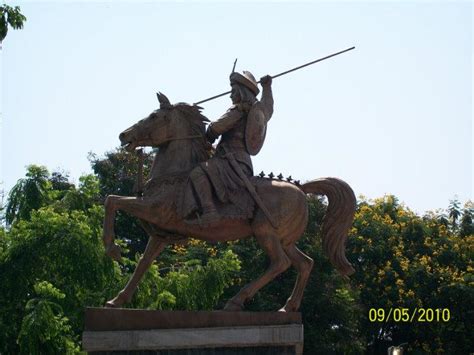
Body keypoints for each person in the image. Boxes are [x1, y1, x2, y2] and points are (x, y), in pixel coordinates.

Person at [181, 70, 273, 225]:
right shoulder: (255, 112)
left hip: (231, 162)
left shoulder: (238, 110)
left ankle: (210, 212)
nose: (230, 96)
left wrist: (207, 133)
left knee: (197, 172)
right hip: (242, 162)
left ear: (240, 92)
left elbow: (217, 128)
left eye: (233, 91)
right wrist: (267, 88)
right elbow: (268, 109)